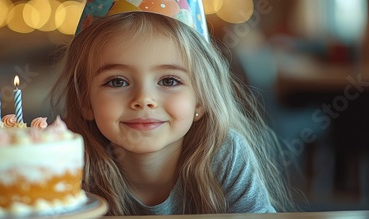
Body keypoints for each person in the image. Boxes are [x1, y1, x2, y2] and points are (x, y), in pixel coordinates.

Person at [50, 9, 296, 216]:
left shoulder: (223, 155)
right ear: (86, 102)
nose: (144, 100)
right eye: (117, 82)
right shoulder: (66, 159)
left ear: (200, 99)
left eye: (168, 81)